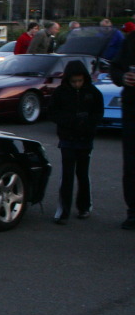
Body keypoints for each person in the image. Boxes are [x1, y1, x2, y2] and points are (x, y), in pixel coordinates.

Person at [50, 60, 103, 225]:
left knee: (83, 174)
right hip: (67, 138)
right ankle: (63, 211)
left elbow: (98, 113)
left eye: (80, 81)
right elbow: (52, 112)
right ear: (68, 80)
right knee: (67, 176)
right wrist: (70, 121)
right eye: (74, 81)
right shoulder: (60, 93)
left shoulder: (93, 92)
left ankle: (84, 207)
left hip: (85, 139)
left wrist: (87, 123)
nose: (77, 84)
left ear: (84, 78)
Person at [109, 29, 135, 229]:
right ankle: (133, 211)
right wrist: (123, 77)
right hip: (132, 111)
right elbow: (115, 68)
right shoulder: (131, 40)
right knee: (131, 165)